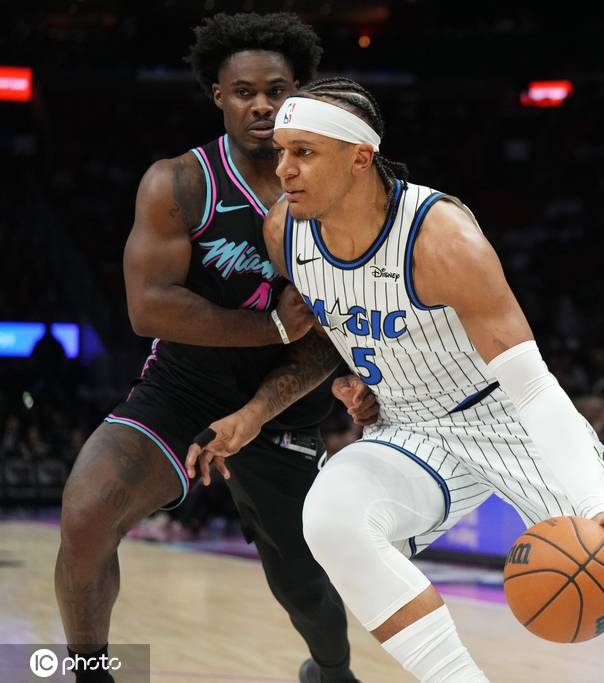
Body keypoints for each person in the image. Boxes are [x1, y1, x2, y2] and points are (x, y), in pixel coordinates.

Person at [187, 78, 604, 683]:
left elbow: (534, 388)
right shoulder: (285, 231)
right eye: (281, 152)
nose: (284, 169)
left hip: (507, 415)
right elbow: (334, 326)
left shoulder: (442, 239)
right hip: (410, 428)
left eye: (304, 152)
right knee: (330, 517)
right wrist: (326, 388)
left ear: (359, 157)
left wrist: (595, 510)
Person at [54, 14, 372, 683]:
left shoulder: (339, 193)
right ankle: (89, 673)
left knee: (303, 584)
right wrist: (273, 327)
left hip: (285, 405)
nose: (261, 105)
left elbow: (331, 338)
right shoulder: (180, 183)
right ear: (218, 95)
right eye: (244, 91)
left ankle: (332, 672)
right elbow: (148, 309)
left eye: (277, 91)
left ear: (300, 94)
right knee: (87, 511)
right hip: (185, 388)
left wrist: (263, 403)